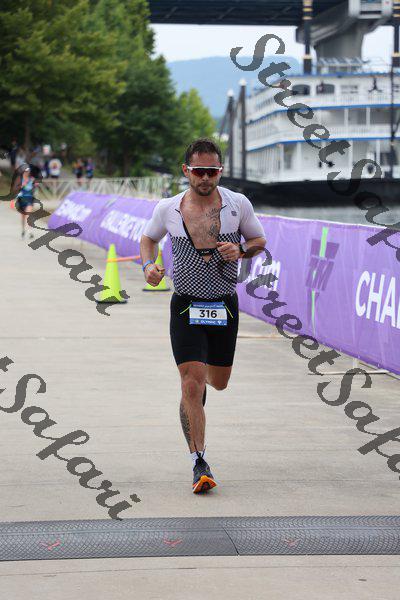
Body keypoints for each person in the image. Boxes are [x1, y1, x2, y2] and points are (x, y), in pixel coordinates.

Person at [140, 138, 266, 494]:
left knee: (218, 382)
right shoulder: (169, 208)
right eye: (199, 171)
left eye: (212, 171)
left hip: (224, 304)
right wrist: (149, 266)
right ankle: (200, 463)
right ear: (186, 171)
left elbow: (259, 241)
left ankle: (196, 393)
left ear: (220, 171)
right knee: (191, 383)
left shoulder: (237, 205)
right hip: (185, 305)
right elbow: (148, 240)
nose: (206, 177)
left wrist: (240, 249)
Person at [15, 167, 37, 239]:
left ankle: (30, 231)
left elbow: (35, 187)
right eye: (25, 171)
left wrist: (35, 184)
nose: (26, 173)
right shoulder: (19, 180)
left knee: (28, 214)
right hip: (21, 200)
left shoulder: (31, 179)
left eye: (28, 171)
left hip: (29, 199)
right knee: (23, 217)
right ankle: (23, 230)